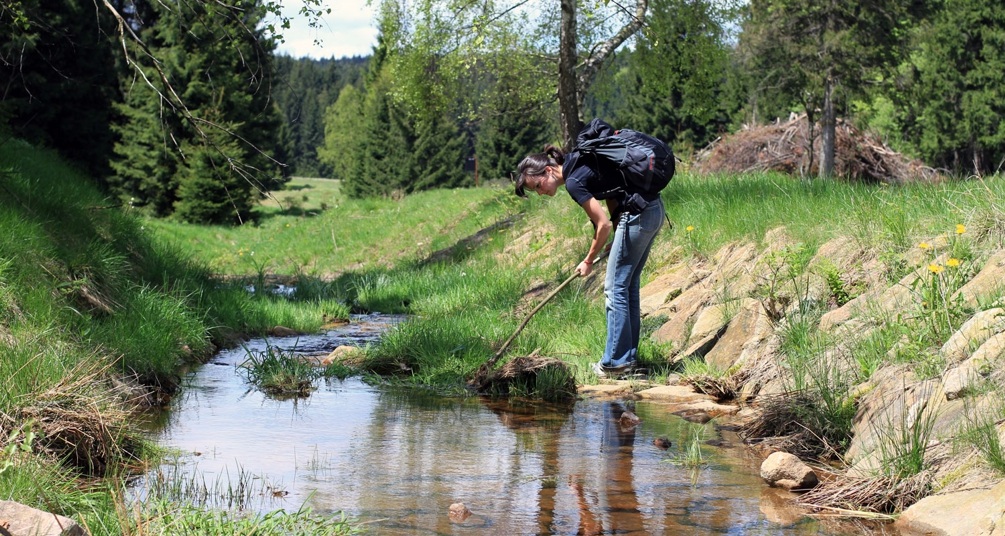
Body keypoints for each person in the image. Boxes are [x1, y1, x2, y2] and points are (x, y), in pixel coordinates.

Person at [513, 122, 665, 377]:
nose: (540, 193)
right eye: (534, 191)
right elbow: (612, 191)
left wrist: (588, 259)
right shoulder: (582, 160)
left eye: (538, 186)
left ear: (549, 171)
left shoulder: (573, 181)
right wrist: (618, 233)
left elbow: (602, 223)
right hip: (653, 211)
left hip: (638, 217)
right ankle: (627, 360)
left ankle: (614, 363)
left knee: (614, 288)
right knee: (628, 287)